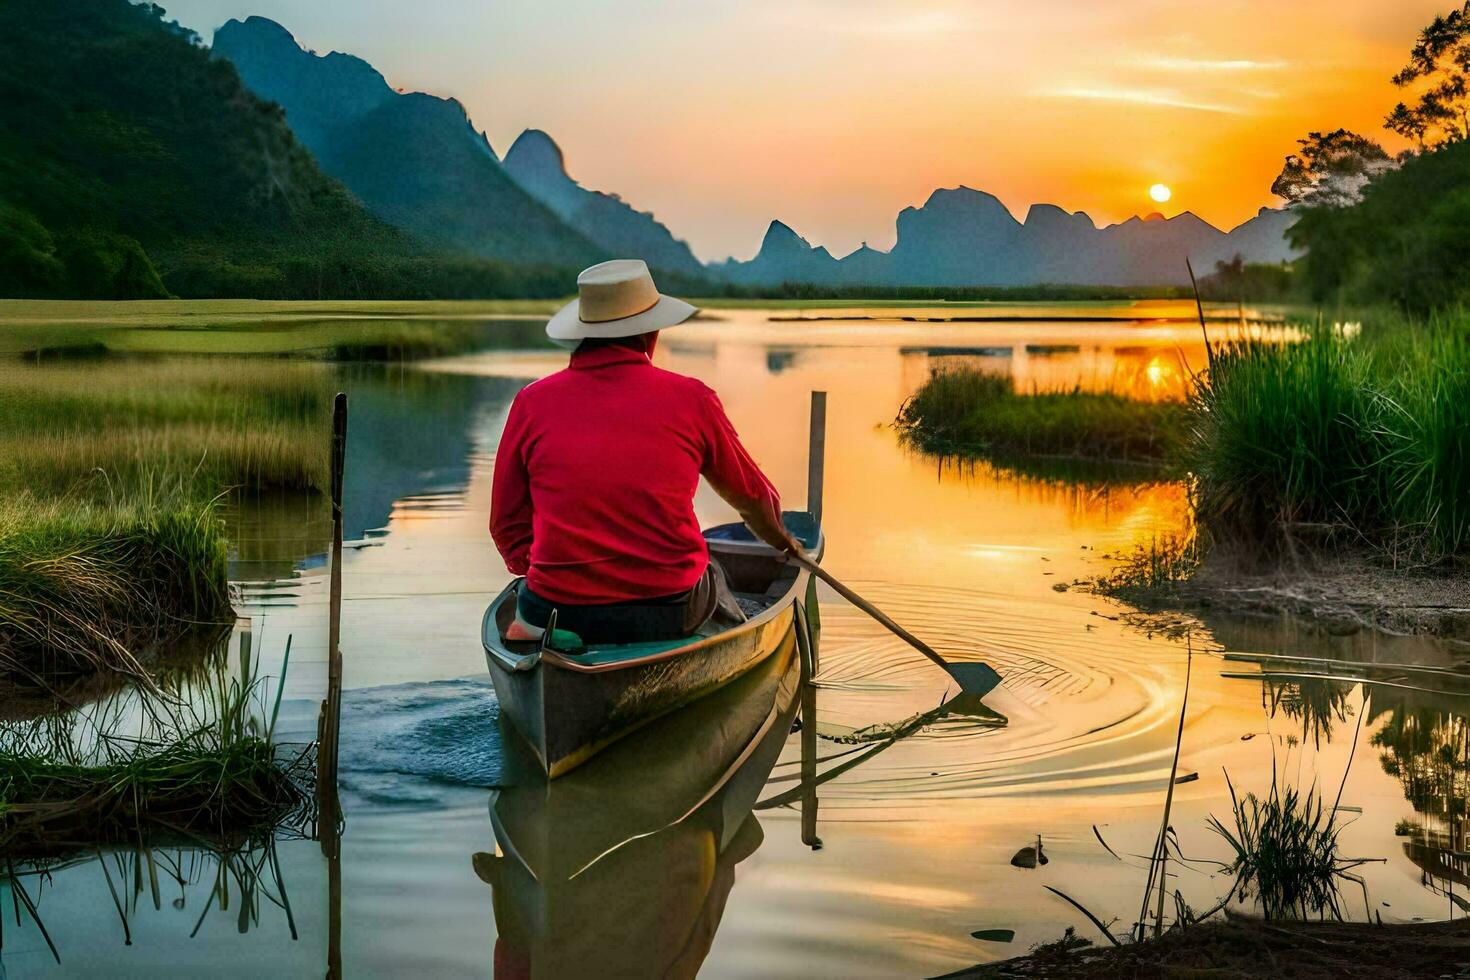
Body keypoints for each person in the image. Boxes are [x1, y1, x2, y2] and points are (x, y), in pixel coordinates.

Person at [490, 259, 802, 646]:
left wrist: (543, 572)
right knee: (713, 573)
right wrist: (783, 542)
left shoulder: (530, 403)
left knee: (531, 609)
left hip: (555, 609)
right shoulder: (693, 399)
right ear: (650, 335)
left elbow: (505, 523)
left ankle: (537, 638)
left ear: (581, 334)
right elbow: (753, 498)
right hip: (665, 610)